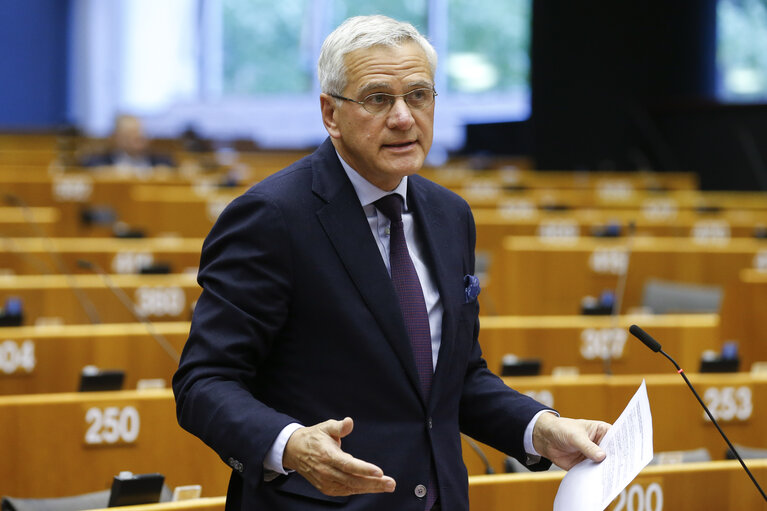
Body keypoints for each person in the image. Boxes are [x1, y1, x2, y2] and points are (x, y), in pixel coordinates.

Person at [173, 15, 610, 511]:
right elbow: (203, 382)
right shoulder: (272, 217)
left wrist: (541, 429)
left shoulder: (450, 215)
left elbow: (455, 380)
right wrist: (291, 445)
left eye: (419, 95)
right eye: (378, 99)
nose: (404, 117)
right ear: (330, 114)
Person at [80, 114, 174, 172]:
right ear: (117, 138)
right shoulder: (96, 162)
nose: (138, 138)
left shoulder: (163, 162)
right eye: (130, 134)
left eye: (140, 133)